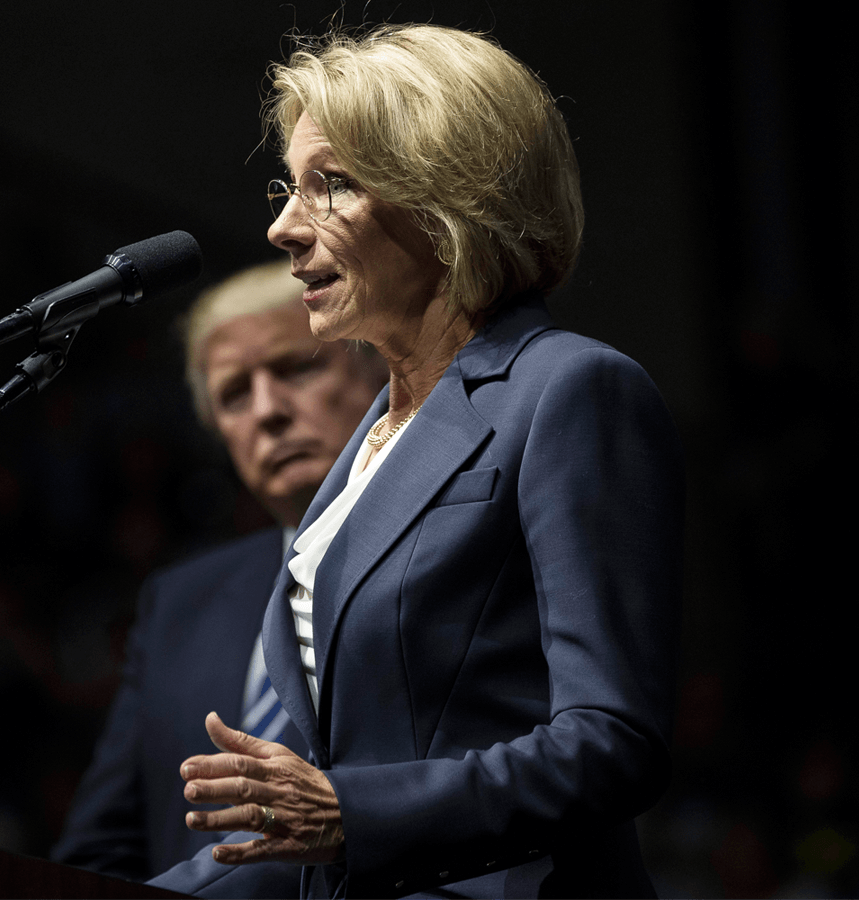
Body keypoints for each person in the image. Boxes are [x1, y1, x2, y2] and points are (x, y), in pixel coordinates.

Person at [152, 24, 684, 900]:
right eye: (290, 185)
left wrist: (351, 813)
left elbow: (611, 743)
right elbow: (303, 824)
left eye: (333, 185)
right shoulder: (366, 443)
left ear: (447, 201)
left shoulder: (570, 390)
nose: (284, 225)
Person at [51, 258, 388, 895]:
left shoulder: (447, 544)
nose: (267, 411)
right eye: (235, 394)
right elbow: (100, 848)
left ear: (378, 370)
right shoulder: (179, 601)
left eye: (296, 367)